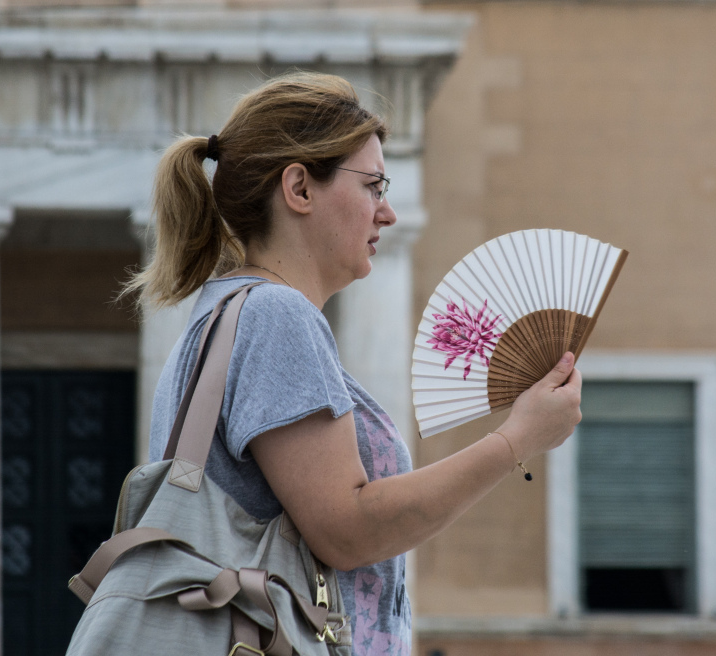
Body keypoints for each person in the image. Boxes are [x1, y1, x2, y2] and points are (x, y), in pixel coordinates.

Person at [126, 72, 582, 656]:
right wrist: (516, 439)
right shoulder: (276, 317)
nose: (387, 213)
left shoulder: (228, 312)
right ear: (299, 188)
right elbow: (348, 529)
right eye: (373, 185)